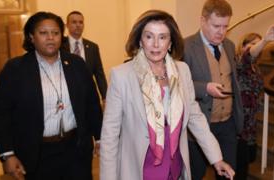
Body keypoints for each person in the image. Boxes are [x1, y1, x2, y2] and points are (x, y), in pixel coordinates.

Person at [100, 9, 235, 180]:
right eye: (149, 37)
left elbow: (195, 117)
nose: (156, 44)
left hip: (175, 166)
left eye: (162, 37)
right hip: (141, 167)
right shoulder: (122, 76)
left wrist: (217, 159)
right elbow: (109, 136)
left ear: (170, 43)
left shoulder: (182, 70)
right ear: (140, 41)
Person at [0, 11, 102, 180]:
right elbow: (0, 113)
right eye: (43, 33)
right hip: (36, 154)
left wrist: (100, 137)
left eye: (55, 33)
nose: (50, 38)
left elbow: (92, 104)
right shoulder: (15, 69)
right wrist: (7, 154)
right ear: (31, 37)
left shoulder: (76, 64)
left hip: (76, 150)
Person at [183, 0, 244, 179]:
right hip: (198, 127)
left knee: (228, 174)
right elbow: (176, 85)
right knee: (196, 174)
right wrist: (205, 88)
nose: (221, 32)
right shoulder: (185, 47)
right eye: (216, 25)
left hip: (228, 125)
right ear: (202, 20)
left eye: (225, 26)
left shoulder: (230, 46)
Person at [235, 26, 274, 180]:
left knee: (249, 158)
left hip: (251, 122)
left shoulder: (256, 67)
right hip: (239, 122)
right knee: (240, 165)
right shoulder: (240, 61)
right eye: (252, 44)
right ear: (244, 46)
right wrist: (265, 40)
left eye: (259, 44)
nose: (258, 47)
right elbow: (248, 56)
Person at [61, 11, 108, 104]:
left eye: (81, 22)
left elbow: (99, 74)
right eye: (74, 22)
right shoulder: (60, 45)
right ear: (67, 25)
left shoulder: (92, 47)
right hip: (66, 95)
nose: (78, 25)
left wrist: (105, 96)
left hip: (88, 95)